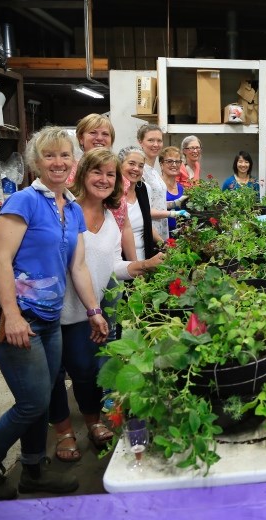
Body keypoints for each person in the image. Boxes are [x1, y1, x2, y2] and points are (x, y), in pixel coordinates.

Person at [0, 126, 108, 501]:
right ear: (35, 163)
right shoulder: (23, 201)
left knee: (43, 397)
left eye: (64, 155)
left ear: (73, 161)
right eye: (49, 156)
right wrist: (11, 314)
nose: (58, 163)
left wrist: (93, 310)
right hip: (17, 319)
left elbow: (78, 268)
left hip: (50, 320)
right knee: (33, 402)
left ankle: (33, 468)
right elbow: (1, 260)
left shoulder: (71, 208)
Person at [50, 148, 164, 463]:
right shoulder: (64, 211)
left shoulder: (111, 218)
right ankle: (63, 432)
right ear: (83, 174)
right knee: (54, 377)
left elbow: (112, 266)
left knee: (86, 372)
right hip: (56, 311)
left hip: (87, 312)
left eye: (110, 174)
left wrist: (143, 265)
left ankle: (91, 421)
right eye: (97, 172)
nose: (103, 179)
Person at [136, 125, 189, 241]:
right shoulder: (140, 171)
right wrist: (173, 214)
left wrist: (174, 203)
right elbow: (142, 209)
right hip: (150, 234)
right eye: (151, 140)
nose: (156, 144)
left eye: (159, 140)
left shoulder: (153, 171)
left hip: (162, 232)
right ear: (140, 142)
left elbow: (156, 202)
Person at [119, 146, 162, 261]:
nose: (136, 169)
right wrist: (135, 266)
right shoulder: (113, 193)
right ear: (120, 165)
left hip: (146, 256)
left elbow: (147, 223)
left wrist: (165, 244)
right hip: (122, 260)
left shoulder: (144, 189)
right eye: (131, 164)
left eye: (140, 166)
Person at [65, 113, 115, 187]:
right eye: (93, 133)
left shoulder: (118, 172)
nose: (100, 138)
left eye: (105, 134)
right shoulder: (67, 171)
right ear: (81, 138)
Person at [160, 146, 186, 233]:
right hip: (161, 236)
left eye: (177, 161)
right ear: (161, 164)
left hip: (179, 236)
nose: (174, 165)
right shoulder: (157, 186)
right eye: (169, 161)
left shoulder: (181, 188)